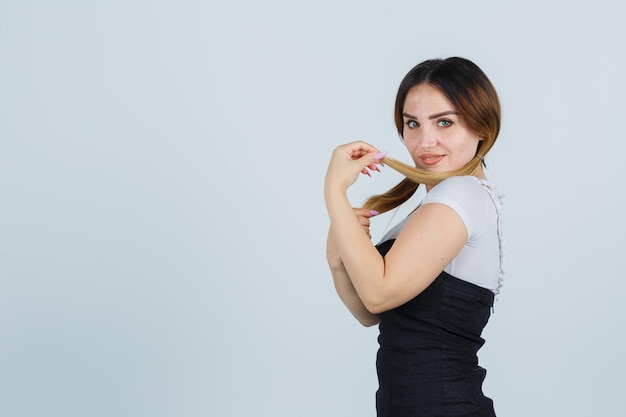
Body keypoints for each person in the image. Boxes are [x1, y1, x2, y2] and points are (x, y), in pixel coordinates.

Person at [324, 57, 504, 417]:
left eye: (444, 122)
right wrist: (337, 257)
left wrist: (334, 190)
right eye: (412, 124)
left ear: (482, 126)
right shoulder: (441, 203)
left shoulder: (461, 195)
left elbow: (377, 294)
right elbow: (370, 314)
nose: (426, 141)